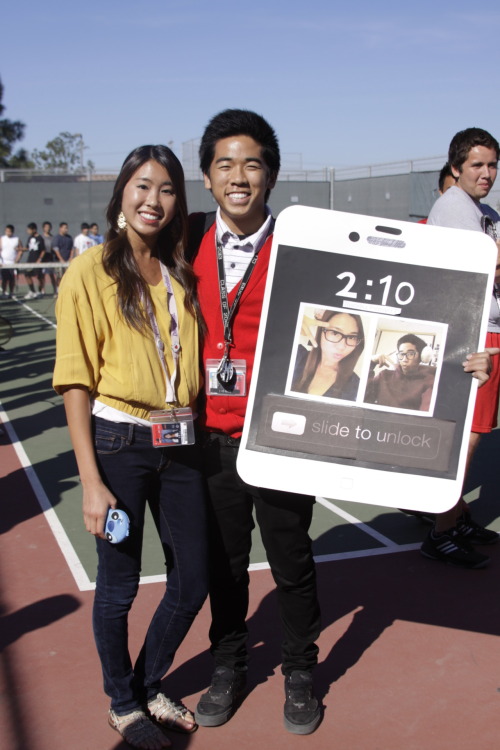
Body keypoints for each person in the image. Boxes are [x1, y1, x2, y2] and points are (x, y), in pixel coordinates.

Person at [53, 145, 208, 749]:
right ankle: (123, 703)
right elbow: (74, 381)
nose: (154, 200)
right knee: (118, 587)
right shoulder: (89, 272)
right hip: (118, 442)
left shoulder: (180, 271)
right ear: (122, 194)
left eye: (167, 189)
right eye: (142, 186)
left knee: (191, 578)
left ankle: (146, 682)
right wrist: (91, 481)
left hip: (179, 441)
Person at [189, 109, 322, 736]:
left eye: (252, 163)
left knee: (292, 562)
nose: (238, 175)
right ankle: (230, 664)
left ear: (270, 174)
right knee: (225, 564)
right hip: (208, 439)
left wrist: (461, 355)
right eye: (225, 164)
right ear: (208, 178)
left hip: (281, 437)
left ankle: (300, 670)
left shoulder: (303, 245)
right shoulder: (182, 238)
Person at [421, 127, 500, 568]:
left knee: (474, 434)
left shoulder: (482, 210)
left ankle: (457, 514)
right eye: (477, 165)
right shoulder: (453, 206)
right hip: (472, 335)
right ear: (456, 168)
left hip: (489, 332)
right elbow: (492, 263)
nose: (487, 173)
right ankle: (440, 530)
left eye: (492, 165)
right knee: (464, 439)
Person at [292, 309, 364, 400]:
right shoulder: (297, 356)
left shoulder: (356, 386)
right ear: (320, 332)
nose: (341, 347)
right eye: (335, 333)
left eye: (351, 337)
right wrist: (291, 319)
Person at [364, 333, 436, 411]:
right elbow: (364, 397)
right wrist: (371, 363)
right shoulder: (384, 375)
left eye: (410, 354)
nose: (404, 359)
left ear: (421, 357)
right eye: (402, 354)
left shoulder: (429, 381)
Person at [24, 222, 46, 299]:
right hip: (30, 260)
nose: (28, 231)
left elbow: (43, 250)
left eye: (29, 230)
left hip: (37, 261)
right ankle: (32, 291)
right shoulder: (30, 238)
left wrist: (39, 259)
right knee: (27, 275)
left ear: (34, 229)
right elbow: (27, 248)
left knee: (39, 277)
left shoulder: (40, 238)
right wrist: (20, 249)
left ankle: (40, 292)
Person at [0, 224, 22, 297]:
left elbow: (20, 250)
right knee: (4, 279)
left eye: (9, 231)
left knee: (12, 279)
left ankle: (11, 292)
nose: (8, 233)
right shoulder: (2, 239)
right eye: (7, 231)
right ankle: (4, 292)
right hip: (3, 263)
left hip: (12, 263)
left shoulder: (16, 239)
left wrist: (17, 260)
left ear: (12, 231)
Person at [41, 221, 58, 296]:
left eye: (48, 227)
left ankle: (55, 290)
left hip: (51, 258)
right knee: (42, 275)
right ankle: (42, 290)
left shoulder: (52, 238)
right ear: (43, 228)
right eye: (46, 227)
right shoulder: (41, 237)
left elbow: (54, 248)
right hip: (43, 259)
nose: (47, 228)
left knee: (52, 275)